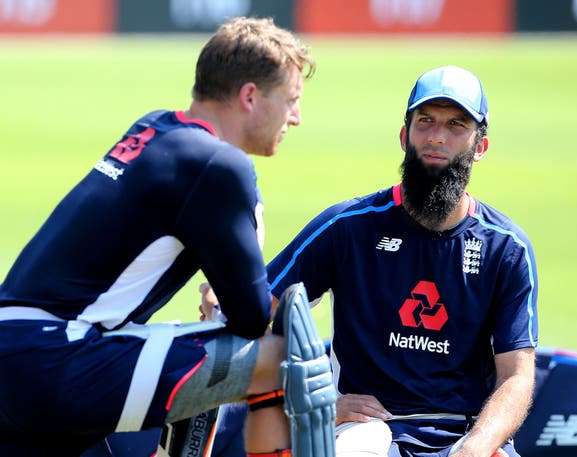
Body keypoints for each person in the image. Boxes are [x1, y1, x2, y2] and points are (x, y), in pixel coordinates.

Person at [0, 16, 335, 457]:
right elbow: (251, 319)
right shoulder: (218, 165)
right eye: (290, 100)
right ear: (250, 96)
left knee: (190, 345)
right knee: (280, 359)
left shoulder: (157, 127)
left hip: (21, 351)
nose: (297, 117)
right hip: (57, 358)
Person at [201, 65, 538, 457]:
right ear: (404, 136)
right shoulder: (347, 226)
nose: (437, 137)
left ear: (480, 146)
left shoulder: (507, 247)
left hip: (465, 432)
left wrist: (476, 448)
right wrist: (317, 402)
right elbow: (256, 313)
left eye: (457, 125)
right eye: (425, 121)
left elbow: (516, 375)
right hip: (367, 429)